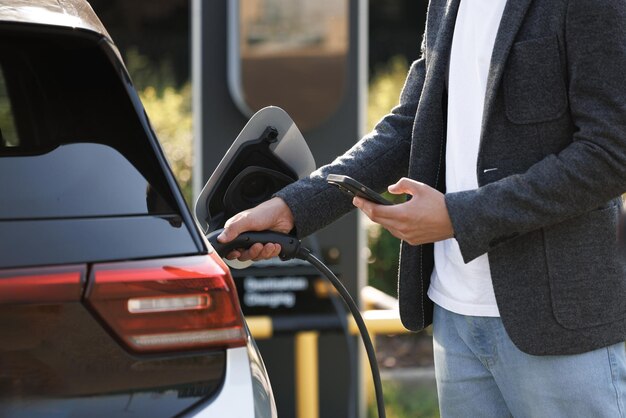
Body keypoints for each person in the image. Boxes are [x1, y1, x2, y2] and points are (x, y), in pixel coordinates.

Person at [218, 0, 626, 416]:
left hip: (561, 326)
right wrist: (292, 208)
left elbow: (610, 152)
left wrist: (459, 216)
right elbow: (409, 126)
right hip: (455, 318)